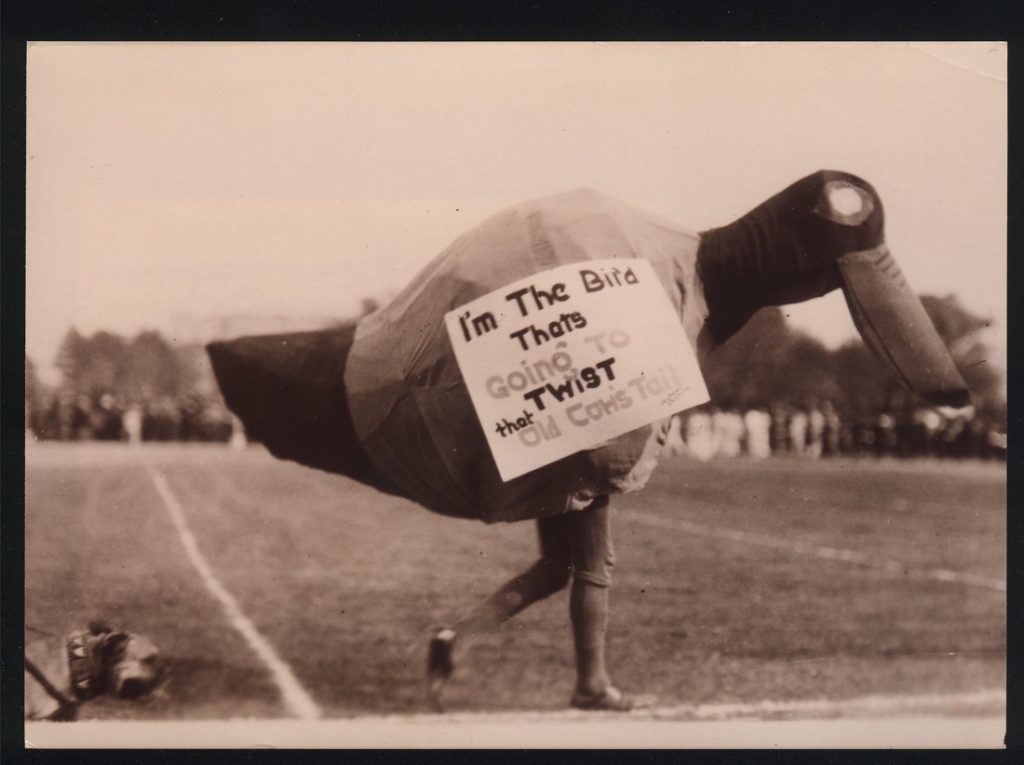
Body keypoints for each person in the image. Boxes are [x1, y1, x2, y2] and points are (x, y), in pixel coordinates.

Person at [208, 170, 971, 711]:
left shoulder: (670, 268)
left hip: (548, 428)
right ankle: (591, 682)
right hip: (534, 432)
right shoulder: (668, 290)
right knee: (591, 563)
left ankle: (459, 636)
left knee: (558, 563)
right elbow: (614, 448)